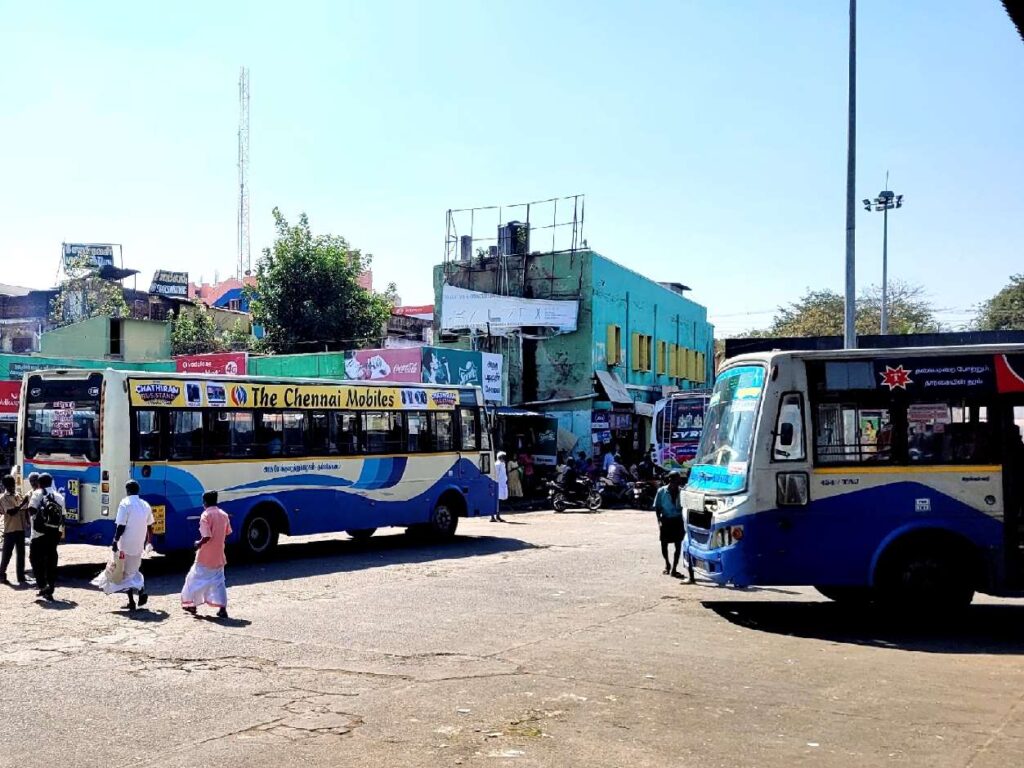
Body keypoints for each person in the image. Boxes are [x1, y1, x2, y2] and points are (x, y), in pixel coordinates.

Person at [93, 480, 153, 611]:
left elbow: (120, 525)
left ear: (127, 490)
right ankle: (140, 592)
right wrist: (149, 541)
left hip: (124, 544)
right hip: (138, 544)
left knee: (123, 572)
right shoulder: (145, 505)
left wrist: (115, 541)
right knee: (133, 570)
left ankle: (132, 600)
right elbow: (150, 526)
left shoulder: (125, 503)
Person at [181, 490, 233, 618]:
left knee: (193, 580)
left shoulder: (205, 516)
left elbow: (207, 536)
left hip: (205, 556)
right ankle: (222, 609)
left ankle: (192, 605)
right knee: (219, 582)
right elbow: (227, 532)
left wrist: (198, 543)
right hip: (219, 555)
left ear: (205, 502)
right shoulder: (224, 515)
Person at [28, 473, 64, 601]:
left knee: (34, 558)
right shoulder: (59, 496)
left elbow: (31, 509)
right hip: (54, 533)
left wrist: (36, 520)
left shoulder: (37, 493)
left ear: (39, 483)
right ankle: (51, 587)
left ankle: (43, 585)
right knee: (51, 560)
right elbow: (62, 517)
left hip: (39, 534)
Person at [653, 471, 693, 581]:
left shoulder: (682, 492)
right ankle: (667, 564)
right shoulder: (661, 491)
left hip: (678, 520)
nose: (678, 481)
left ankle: (674, 568)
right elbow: (657, 507)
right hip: (666, 520)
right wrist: (659, 521)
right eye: (676, 479)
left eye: (679, 479)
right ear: (670, 480)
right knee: (664, 544)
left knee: (678, 545)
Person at [0, 475, 30, 585]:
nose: (12, 486)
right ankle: (1, 575)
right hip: (10, 530)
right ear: (5, 486)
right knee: (7, 554)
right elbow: (11, 512)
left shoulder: (18, 495)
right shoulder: (4, 498)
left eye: (13, 484)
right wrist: (22, 503)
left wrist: (27, 521)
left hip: (21, 529)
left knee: (21, 554)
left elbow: (25, 509)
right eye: (9, 485)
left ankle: (21, 576)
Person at [492, 452, 508, 522]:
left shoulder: (502, 464)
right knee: (495, 501)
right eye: (503, 457)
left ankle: (497, 516)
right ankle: (493, 516)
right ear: (500, 457)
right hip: (497, 484)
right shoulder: (497, 464)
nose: (504, 459)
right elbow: (495, 475)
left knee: (497, 501)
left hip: (501, 484)